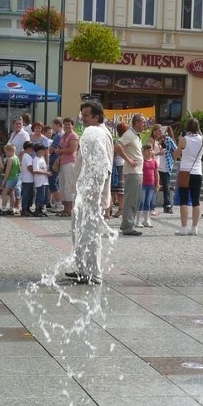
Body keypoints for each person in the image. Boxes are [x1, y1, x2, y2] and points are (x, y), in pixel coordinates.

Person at [64, 99, 114, 285]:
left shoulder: (100, 134)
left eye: (86, 115)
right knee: (79, 231)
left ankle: (95, 274)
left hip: (92, 193)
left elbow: (105, 167)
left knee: (91, 233)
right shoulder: (91, 133)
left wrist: (97, 195)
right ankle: (83, 270)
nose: (82, 119)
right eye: (82, 115)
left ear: (96, 116)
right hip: (84, 191)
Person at [174, 117, 203, 236]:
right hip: (197, 172)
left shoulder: (184, 139)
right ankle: (194, 228)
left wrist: (179, 143)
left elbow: (176, 155)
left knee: (184, 200)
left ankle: (183, 227)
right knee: (196, 201)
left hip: (185, 171)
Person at [115, 114, 146, 236]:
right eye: (143, 122)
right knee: (131, 200)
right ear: (136, 123)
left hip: (137, 171)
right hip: (132, 172)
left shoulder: (136, 136)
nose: (144, 124)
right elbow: (118, 146)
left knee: (135, 199)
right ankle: (128, 226)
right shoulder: (129, 134)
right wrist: (128, 160)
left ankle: (127, 224)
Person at [53, 117, 79, 217]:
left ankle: (69, 210)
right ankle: (65, 209)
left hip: (70, 162)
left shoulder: (73, 136)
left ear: (72, 125)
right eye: (65, 124)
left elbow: (72, 149)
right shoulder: (64, 135)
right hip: (63, 162)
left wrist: (60, 151)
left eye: (69, 124)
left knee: (69, 186)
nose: (67, 126)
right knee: (62, 186)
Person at [151, 123, 176, 213]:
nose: (161, 133)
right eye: (159, 131)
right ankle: (152, 204)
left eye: (162, 131)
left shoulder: (168, 140)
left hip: (165, 166)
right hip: (156, 165)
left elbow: (175, 149)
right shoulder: (155, 140)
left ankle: (167, 204)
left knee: (166, 186)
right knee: (155, 185)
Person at [138, 144, 159, 228]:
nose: (150, 151)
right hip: (143, 184)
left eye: (151, 150)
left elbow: (156, 173)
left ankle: (147, 220)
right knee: (141, 201)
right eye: (148, 150)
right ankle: (138, 220)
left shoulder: (154, 162)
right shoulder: (142, 161)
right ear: (144, 151)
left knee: (149, 202)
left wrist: (157, 183)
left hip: (151, 184)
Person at [110, 123, 128, 218]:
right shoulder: (123, 141)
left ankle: (120, 208)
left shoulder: (120, 141)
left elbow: (115, 154)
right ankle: (112, 208)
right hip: (120, 165)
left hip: (119, 165)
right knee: (115, 189)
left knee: (118, 189)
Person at [0, 143, 21, 215]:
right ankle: (12, 208)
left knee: (4, 193)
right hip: (15, 177)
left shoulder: (10, 159)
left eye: (6, 152)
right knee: (12, 193)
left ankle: (3, 208)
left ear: (10, 150)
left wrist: (4, 180)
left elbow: (7, 171)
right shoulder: (16, 158)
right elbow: (19, 169)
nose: (5, 154)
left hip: (10, 178)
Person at [48, 117, 64, 213]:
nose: (53, 127)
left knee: (53, 183)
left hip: (54, 161)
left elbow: (51, 149)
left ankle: (58, 204)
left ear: (58, 124)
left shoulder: (58, 136)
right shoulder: (63, 135)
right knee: (56, 183)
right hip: (58, 161)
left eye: (54, 125)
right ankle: (56, 203)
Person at [32, 143, 51, 217]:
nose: (44, 152)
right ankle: (37, 209)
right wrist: (45, 173)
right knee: (40, 195)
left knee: (44, 196)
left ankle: (42, 209)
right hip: (40, 181)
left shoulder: (42, 158)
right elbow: (35, 170)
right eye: (42, 150)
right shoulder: (36, 159)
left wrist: (47, 172)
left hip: (45, 181)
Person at [19, 141, 36, 217]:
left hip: (27, 178)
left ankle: (27, 209)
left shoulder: (25, 155)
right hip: (28, 179)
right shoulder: (28, 156)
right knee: (27, 195)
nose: (33, 150)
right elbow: (29, 167)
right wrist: (35, 173)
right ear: (28, 148)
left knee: (29, 195)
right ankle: (24, 209)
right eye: (32, 148)